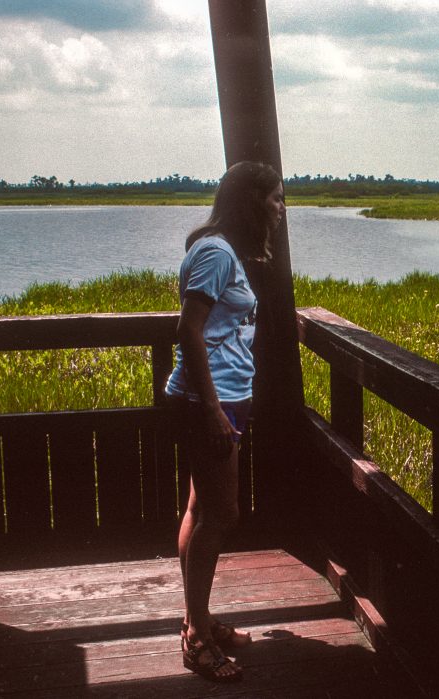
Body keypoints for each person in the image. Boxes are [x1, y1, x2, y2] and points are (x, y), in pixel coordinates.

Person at [165, 161, 285, 682]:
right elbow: (188, 331)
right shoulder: (216, 253)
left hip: (218, 399)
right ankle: (195, 637)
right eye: (276, 199)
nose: (281, 210)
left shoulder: (221, 252)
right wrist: (214, 409)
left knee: (201, 506)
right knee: (220, 514)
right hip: (207, 402)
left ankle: (199, 618)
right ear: (251, 202)